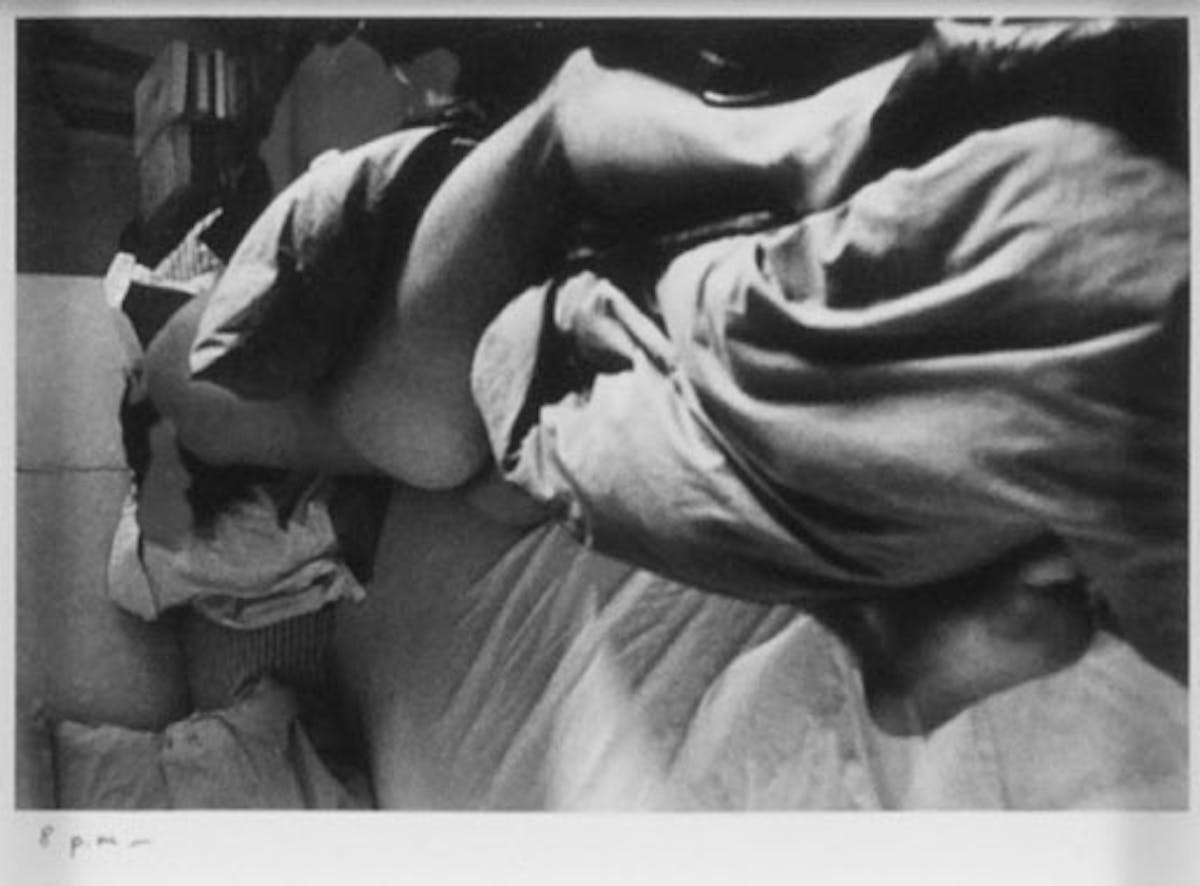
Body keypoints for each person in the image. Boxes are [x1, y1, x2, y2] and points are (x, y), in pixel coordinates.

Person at [142, 39, 1187, 729]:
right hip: (416, 389)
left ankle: (886, 614)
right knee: (563, 134)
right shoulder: (227, 404)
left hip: (441, 390)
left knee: (504, 404)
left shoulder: (331, 458)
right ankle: (787, 151)